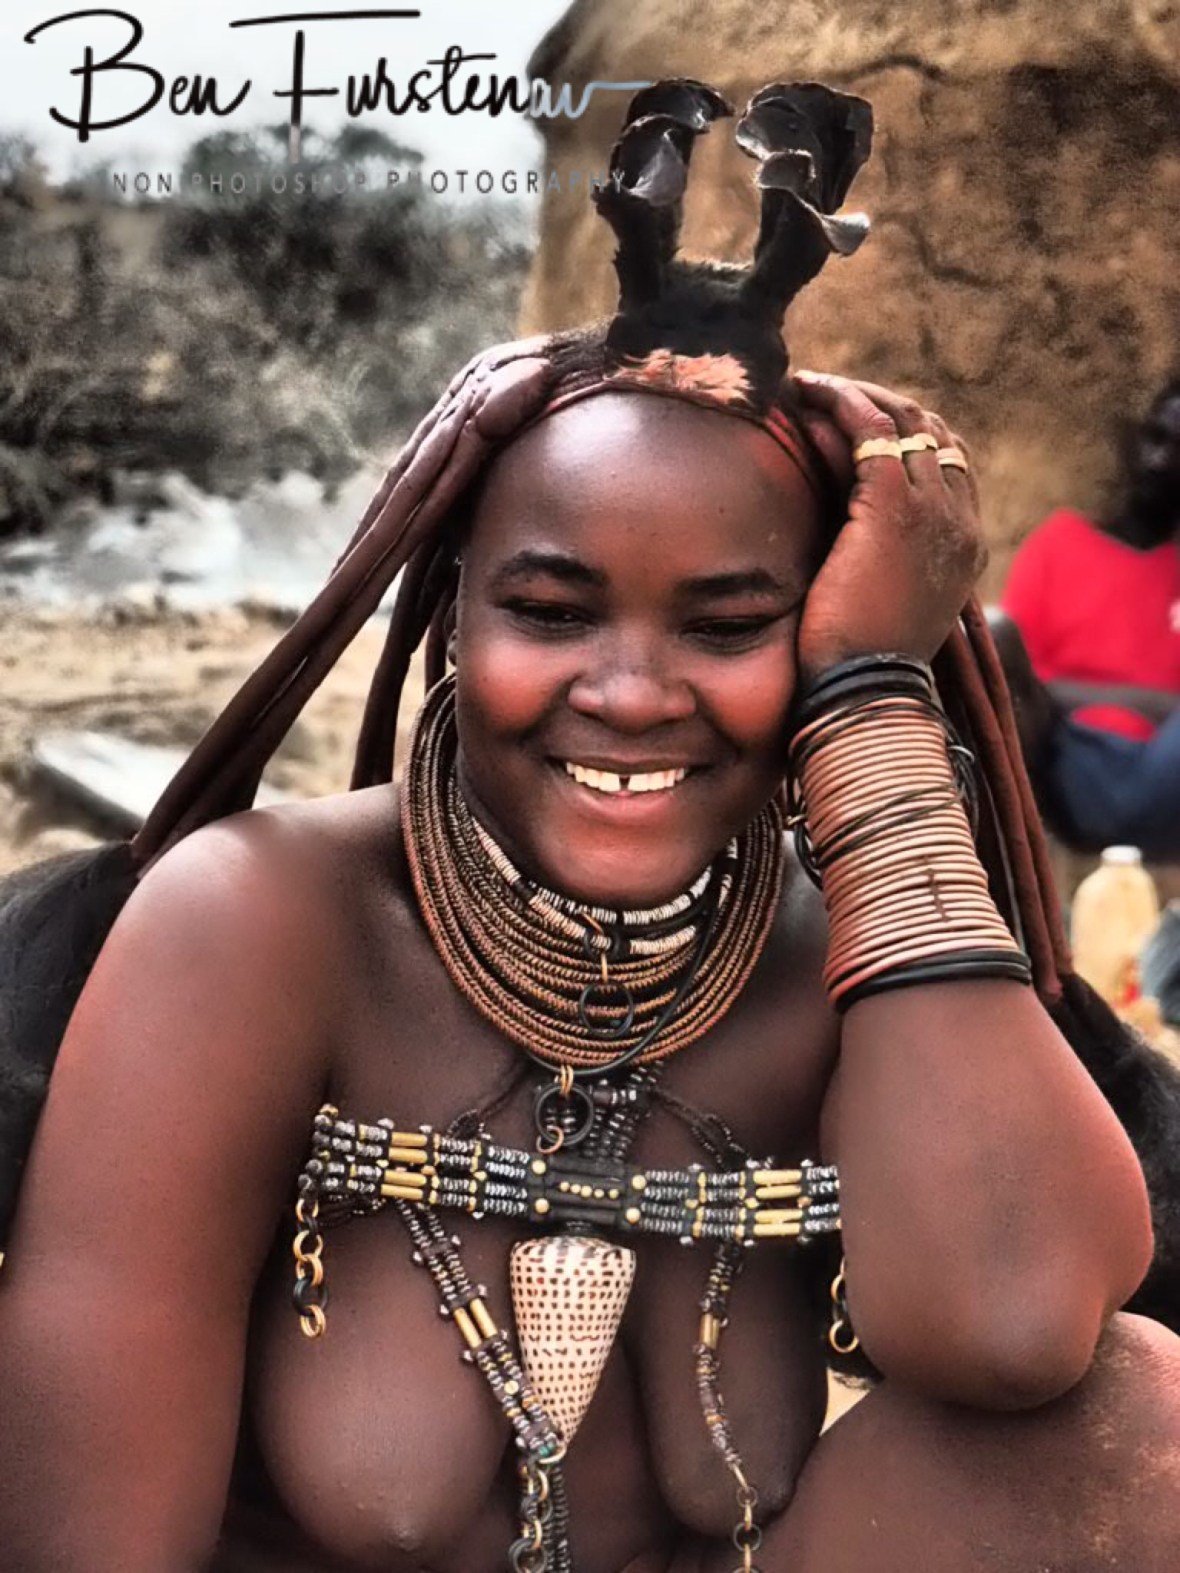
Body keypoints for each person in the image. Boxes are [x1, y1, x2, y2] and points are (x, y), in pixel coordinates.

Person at [1, 80, 1179, 1573]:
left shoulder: (844, 974)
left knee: (1136, 1420)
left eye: (733, 622)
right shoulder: (263, 925)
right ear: (446, 629)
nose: (629, 693)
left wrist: (879, 711)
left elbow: (1018, 1326)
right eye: (550, 612)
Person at [996, 378, 1180, 860]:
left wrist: (1066, 694)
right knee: (993, 639)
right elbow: (1019, 685)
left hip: (1167, 784)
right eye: (1157, 438)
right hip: (1068, 764)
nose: (1159, 462)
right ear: (1135, 438)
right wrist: (1151, 704)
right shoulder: (1060, 545)